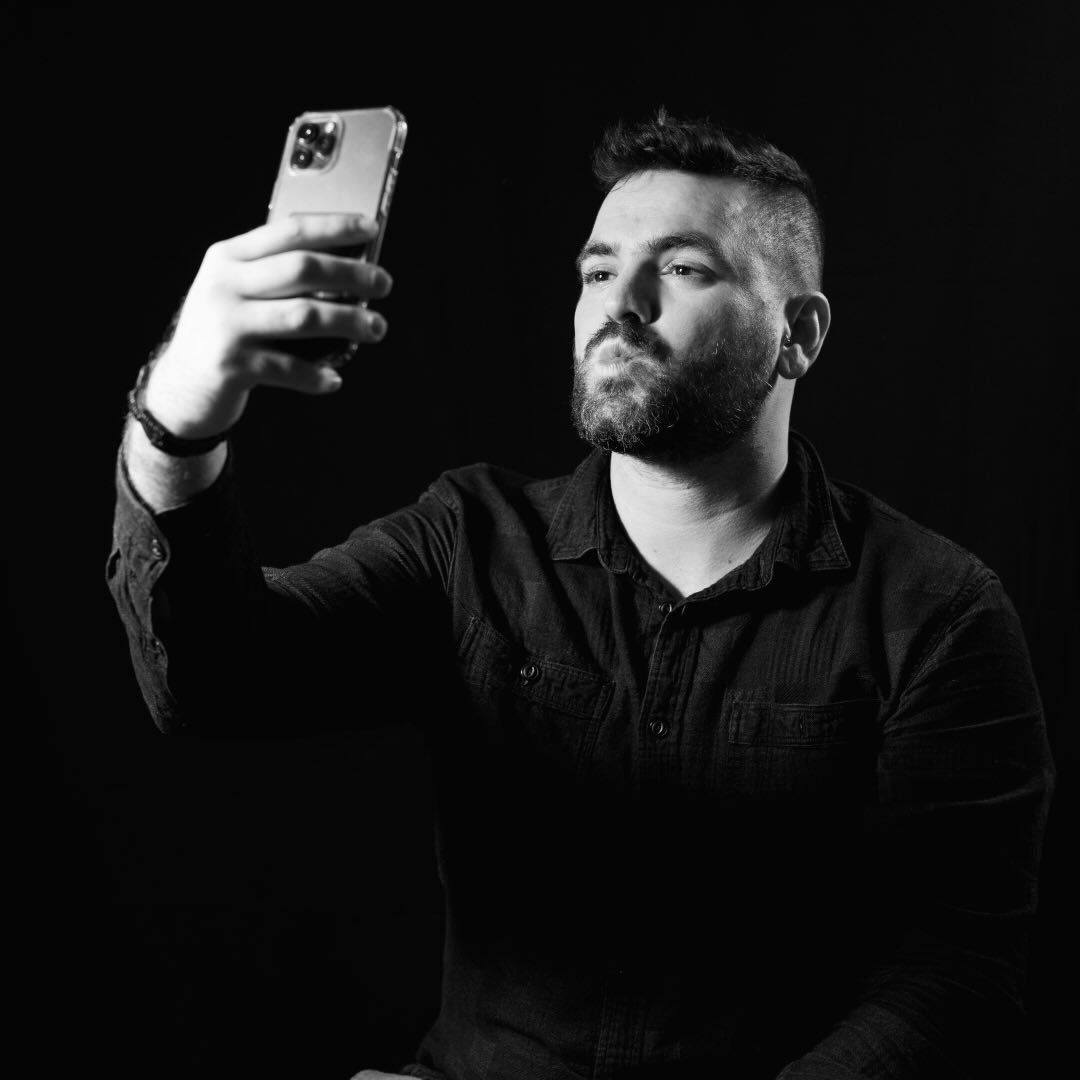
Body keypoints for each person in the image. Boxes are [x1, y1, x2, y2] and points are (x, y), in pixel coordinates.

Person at [108, 110, 1055, 1079]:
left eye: (684, 269)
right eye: (598, 271)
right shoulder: (466, 539)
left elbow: (954, 981)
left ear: (798, 336)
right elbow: (213, 678)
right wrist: (178, 424)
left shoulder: (937, 613)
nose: (622, 304)